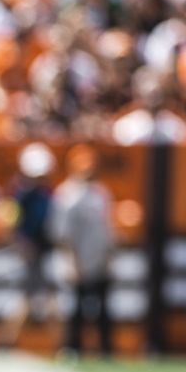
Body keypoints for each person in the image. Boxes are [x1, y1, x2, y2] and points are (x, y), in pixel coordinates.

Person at [49, 145, 116, 359]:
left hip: (98, 259)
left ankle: (106, 350)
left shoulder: (101, 193)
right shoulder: (67, 195)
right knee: (74, 308)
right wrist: (72, 262)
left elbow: (107, 229)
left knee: (103, 308)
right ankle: (72, 349)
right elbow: (63, 235)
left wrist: (109, 258)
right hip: (78, 261)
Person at [0, 143, 59, 348]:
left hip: (43, 253)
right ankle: (63, 346)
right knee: (36, 299)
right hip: (31, 255)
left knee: (31, 300)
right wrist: (22, 245)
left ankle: (5, 342)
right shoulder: (20, 194)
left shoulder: (45, 192)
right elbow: (9, 225)